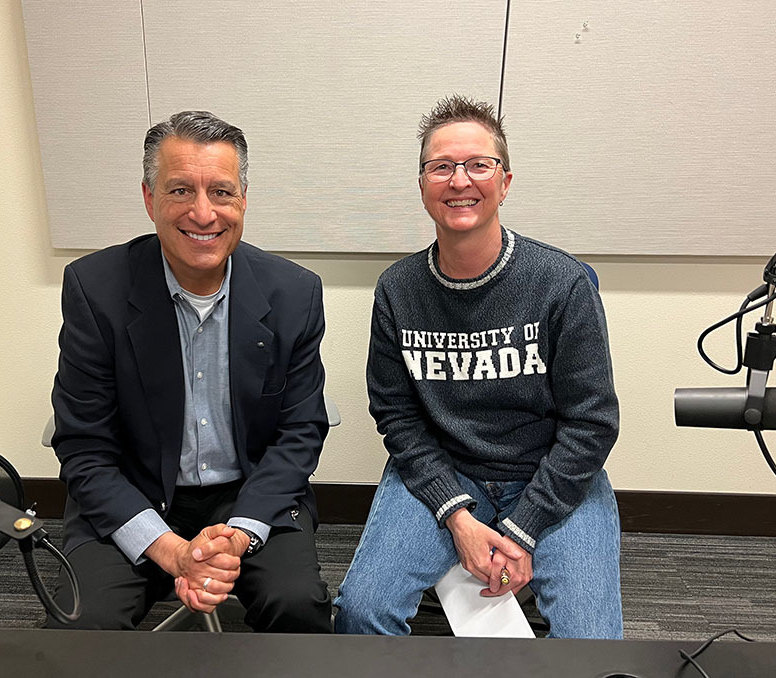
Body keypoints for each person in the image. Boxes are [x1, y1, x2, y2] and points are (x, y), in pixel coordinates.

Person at [333, 95, 622, 638]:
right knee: (361, 614)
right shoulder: (398, 290)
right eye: (441, 166)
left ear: (505, 182)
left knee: (592, 645)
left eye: (477, 165)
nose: (459, 180)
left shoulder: (562, 284)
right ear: (422, 185)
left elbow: (592, 424)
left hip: (547, 473)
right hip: (446, 469)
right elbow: (398, 418)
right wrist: (456, 514)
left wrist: (523, 528)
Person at [48, 110, 332, 632]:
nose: (204, 213)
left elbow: (300, 431)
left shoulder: (293, 292)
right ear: (149, 198)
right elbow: (84, 446)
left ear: (243, 199)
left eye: (221, 192)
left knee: (299, 607)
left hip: (251, 490)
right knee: (80, 628)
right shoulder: (96, 290)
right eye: (181, 190)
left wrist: (239, 533)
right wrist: (174, 551)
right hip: (132, 489)